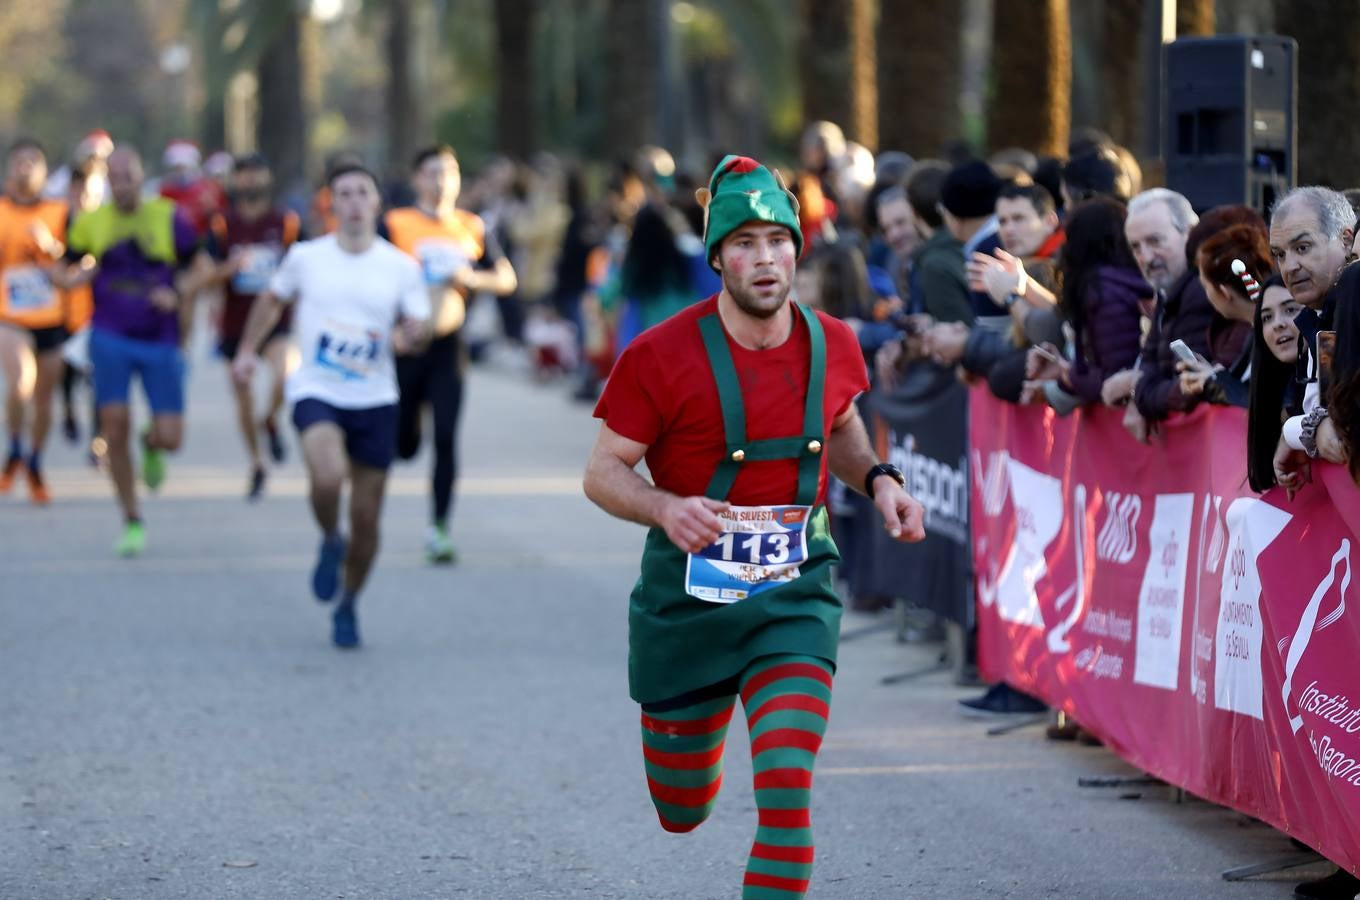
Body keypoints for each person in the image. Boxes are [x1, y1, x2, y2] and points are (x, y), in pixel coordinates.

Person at [583, 155, 926, 900]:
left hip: (792, 593)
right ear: (717, 258)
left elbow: (840, 425)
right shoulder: (658, 356)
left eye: (777, 240)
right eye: (744, 243)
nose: (764, 258)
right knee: (682, 811)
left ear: (798, 247)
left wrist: (879, 481)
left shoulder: (834, 340)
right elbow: (601, 471)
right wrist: (664, 507)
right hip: (687, 605)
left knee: (786, 785)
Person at [232, 163, 430, 648]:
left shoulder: (400, 267)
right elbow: (271, 303)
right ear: (332, 204)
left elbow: (420, 322)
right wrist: (246, 351)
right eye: (345, 193)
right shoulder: (306, 257)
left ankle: (348, 601)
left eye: (364, 192)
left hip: (376, 398)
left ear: (377, 202)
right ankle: (328, 538)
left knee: (367, 520)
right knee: (326, 476)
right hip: (317, 389)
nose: (355, 201)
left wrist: (410, 335)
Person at [382, 144, 517, 564]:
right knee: (404, 444)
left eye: (450, 172)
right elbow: (372, 277)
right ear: (417, 179)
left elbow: (506, 278)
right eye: (433, 172)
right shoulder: (396, 224)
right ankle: (408, 430)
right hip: (406, 346)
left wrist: (471, 278)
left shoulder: (471, 226)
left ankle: (438, 528)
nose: (442, 181)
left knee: (446, 437)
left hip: (448, 346)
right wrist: (389, 332)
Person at [64, 147, 200, 556]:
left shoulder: (168, 216)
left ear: (143, 177)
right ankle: (131, 519)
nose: (122, 184)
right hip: (109, 335)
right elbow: (63, 269)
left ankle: (153, 443)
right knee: (114, 425)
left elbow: (202, 267)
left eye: (129, 175)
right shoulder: (91, 223)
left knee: (172, 438)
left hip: (160, 337)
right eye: (115, 177)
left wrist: (176, 292)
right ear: (107, 181)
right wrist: (73, 277)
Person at [202, 153, 302, 499]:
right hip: (235, 325)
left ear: (267, 178)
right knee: (242, 399)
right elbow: (203, 275)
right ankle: (258, 462)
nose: (250, 182)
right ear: (235, 182)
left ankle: (270, 419)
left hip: (276, 322)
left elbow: (304, 268)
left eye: (256, 175)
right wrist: (228, 269)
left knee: (286, 375)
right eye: (243, 176)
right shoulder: (222, 225)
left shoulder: (287, 222)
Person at [1267, 187, 1356, 495]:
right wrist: (1298, 431)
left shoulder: (1350, 299)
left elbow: (1340, 433)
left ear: (1346, 240)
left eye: (1302, 248)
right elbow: (1315, 413)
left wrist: (1301, 431)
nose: (1289, 266)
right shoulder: (1310, 320)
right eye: (1279, 254)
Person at [0, 139, 74, 504]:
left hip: (51, 316)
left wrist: (52, 248)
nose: (25, 167)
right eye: (19, 161)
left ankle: (34, 458)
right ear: (9, 169)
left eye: (33, 161)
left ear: (45, 172)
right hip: (9, 316)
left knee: (44, 400)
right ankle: (14, 443)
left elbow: (76, 262)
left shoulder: (60, 212)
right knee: (21, 382)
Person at [1117, 189, 1210, 441]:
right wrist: (1141, 387)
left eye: (1155, 241)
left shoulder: (1201, 291)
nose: (1145, 257)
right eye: (1136, 247)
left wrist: (1139, 392)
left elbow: (1187, 387)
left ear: (1189, 233)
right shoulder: (1169, 289)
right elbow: (1149, 360)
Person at [1178, 223, 1273, 407]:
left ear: (1224, 292)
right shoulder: (1256, 330)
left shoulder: (1270, 334)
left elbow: (1260, 399)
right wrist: (1211, 376)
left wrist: (1211, 383)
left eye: (1206, 287)